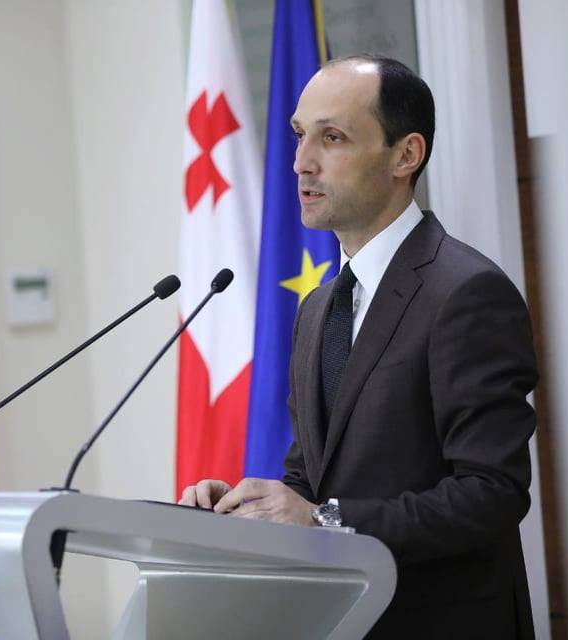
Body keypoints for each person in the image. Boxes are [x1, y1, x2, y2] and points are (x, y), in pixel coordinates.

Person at [179, 55, 537, 639]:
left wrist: (323, 519)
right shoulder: (318, 308)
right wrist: (245, 511)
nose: (301, 162)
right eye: (300, 135)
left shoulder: (466, 293)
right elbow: (311, 479)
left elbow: (490, 493)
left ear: (405, 155)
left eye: (332, 138)